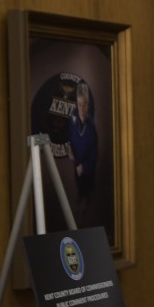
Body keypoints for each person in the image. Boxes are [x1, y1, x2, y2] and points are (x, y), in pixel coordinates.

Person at [67, 81, 98, 224]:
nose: (81, 108)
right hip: (76, 166)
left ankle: (82, 227)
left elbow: (94, 155)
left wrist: (83, 167)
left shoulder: (91, 129)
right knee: (76, 199)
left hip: (86, 171)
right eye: (79, 104)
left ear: (88, 105)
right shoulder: (73, 116)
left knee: (85, 205)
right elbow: (70, 135)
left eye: (84, 104)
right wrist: (69, 148)